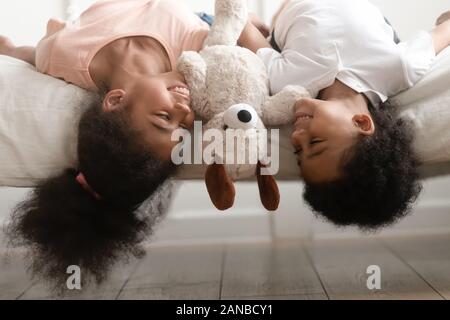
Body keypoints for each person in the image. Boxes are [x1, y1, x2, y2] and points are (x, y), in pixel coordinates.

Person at [0, 0, 212, 289]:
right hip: (207, 19)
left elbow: (43, 50)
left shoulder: (64, 54)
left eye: (164, 118)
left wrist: (14, 51)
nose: (186, 112)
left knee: (35, 53)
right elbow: (242, 36)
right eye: (184, 128)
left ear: (114, 100)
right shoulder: (197, 52)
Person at [238, 0, 450, 229]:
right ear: (361, 122)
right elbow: (443, 32)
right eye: (315, 142)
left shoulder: (285, 82)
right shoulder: (400, 67)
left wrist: (252, 20)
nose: (297, 138)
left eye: (298, 150)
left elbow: (240, 22)